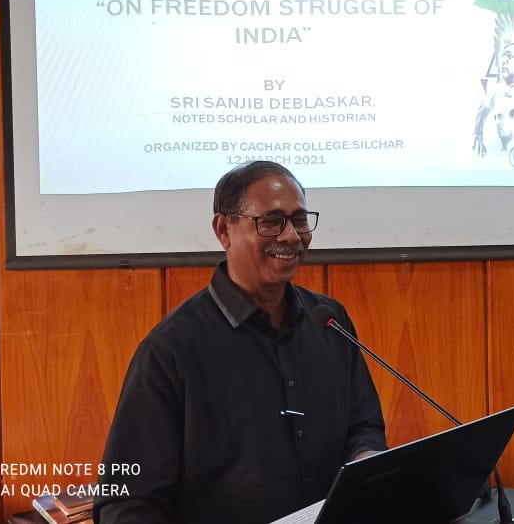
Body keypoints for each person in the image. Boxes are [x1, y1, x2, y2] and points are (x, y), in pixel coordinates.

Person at [94, 161, 386, 524]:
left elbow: (363, 427)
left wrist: (366, 459)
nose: (291, 236)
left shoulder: (328, 321)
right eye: (271, 222)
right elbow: (126, 502)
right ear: (223, 230)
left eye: (299, 220)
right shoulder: (171, 350)